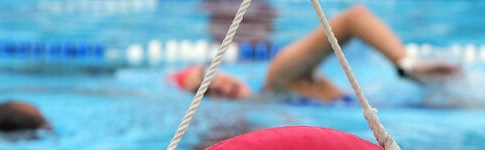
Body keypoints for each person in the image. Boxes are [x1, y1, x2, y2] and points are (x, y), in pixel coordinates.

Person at [169, 3, 461, 103]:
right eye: (205, 93)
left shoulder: (279, 76)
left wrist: (407, 65)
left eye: (210, 76)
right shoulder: (274, 98)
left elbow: (353, 18)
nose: (217, 86)